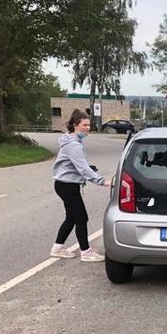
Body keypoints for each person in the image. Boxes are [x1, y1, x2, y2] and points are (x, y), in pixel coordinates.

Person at [50, 109, 110, 262]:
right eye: (84, 125)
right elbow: (82, 168)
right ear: (75, 125)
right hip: (67, 185)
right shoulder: (74, 145)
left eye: (89, 125)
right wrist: (102, 181)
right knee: (81, 218)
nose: (88, 128)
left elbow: (78, 165)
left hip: (65, 184)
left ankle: (58, 247)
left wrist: (89, 168)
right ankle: (86, 252)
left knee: (72, 217)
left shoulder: (73, 141)